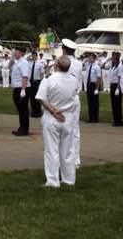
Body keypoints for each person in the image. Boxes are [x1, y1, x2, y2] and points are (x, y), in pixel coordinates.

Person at [36, 54, 80, 188]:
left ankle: (52, 181)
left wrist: (53, 111)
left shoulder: (49, 80)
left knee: (51, 150)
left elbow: (42, 99)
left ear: (56, 66)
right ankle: (69, 179)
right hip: (67, 117)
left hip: (53, 117)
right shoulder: (74, 80)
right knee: (68, 150)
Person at [10, 48, 31, 136]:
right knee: (20, 109)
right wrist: (11, 59)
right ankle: (21, 127)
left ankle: (24, 129)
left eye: (16, 53)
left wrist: (23, 89)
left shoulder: (23, 62)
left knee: (23, 109)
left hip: (22, 88)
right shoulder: (18, 62)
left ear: (21, 53)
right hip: (17, 88)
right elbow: (8, 67)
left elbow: (25, 76)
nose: (15, 54)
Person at [83, 53, 101, 123]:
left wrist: (97, 88)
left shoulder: (97, 67)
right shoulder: (89, 66)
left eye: (91, 57)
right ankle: (90, 117)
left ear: (94, 58)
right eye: (89, 57)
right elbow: (83, 65)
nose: (89, 59)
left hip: (94, 85)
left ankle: (95, 118)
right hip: (89, 85)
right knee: (89, 101)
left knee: (95, 102)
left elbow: (99, 78)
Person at [107, 51, 123, 126]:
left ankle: (119, 121)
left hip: (117, 86)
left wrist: (118, 88)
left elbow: (120, 77)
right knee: (113, 103)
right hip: (112, 85)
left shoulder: (120, 66)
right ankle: (115, 120)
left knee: (117, 104)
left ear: (117, 59)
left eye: (113, 59)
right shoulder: (113, 66)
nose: (112, 60)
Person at [30, 52, 45, 118]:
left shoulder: (40, 64)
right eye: (32, 55)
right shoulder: (30, 63)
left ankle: (38, 112)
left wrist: (41, 83)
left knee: (37, 97)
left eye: (34, 55)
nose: (33, 57)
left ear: (36, 56)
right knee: (32, 97)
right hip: (31, 82)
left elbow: (42, 73)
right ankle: (33, 112)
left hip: (37, 82)